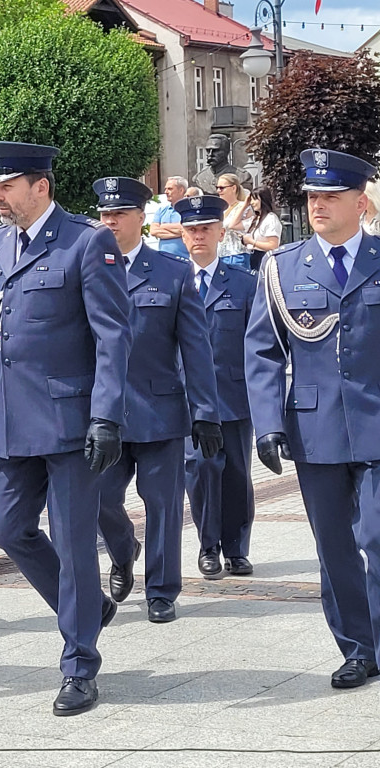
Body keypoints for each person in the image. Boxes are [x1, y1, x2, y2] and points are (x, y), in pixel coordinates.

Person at [0, 142, 131, 715]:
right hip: (10, 419)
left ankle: (79, 662)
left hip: (69, 420)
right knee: (10, 530)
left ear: (41, 186)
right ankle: (86, 607)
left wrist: (106, 415)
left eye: (6, 186)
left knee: (75, 542)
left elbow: (113, 336)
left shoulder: (87, 242)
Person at [246, 148, 380, 690]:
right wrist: (267, 423)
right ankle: (357, 648)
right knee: (333, 547)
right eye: (313, 197)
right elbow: (261, 352)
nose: (319, 205)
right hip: (315, 427)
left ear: (361, 202)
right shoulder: (283, 267)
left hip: (377, 423)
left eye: (331, 196)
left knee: (377, 538)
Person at [92, 177, 221, 624]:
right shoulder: (85, 269)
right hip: (104, 415)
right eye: (104, 214)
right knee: (100, 499)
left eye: (120, 214)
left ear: (140, 218)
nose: (110, 222)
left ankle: (162, 590)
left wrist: (205, 412)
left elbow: (195, 347)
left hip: (160, 409)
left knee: (163, 504)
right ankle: (124, 549)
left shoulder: (172, 272)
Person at [176, 194, 258, 579]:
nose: (198, 236)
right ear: (181, 234)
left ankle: (236, 549)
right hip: (189, 401)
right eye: (191, 230)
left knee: (237, 475)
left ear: (220, 232)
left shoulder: (243, 284)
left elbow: (258, 344)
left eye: (206, 228)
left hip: (233, 393)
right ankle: (209, 546)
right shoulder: (172, 281)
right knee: (201, 469)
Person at [242, 186, 282, 271]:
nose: (252, 203)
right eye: (251, 200)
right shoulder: (255, 219)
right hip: (253, 258)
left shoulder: (270, 219)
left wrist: (251, 241)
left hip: (263, 258)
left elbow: (273, 245)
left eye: (255, 199)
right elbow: (233, 225)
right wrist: (245, 205)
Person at [217, 173, 253, 268]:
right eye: (217, 187)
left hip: (237, 255)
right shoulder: (220, 209)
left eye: (222, 188)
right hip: (220, 255)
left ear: (233, 188)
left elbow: (248, 230)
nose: (218, 191)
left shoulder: (243, 207)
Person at [149, 176, 190, 259]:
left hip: (183, 260)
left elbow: (187, 230)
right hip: (163, 260)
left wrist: (163, 226)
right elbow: (153, 231)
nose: (166, 192)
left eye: (170, 189)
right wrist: (179, 231)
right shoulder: (161, 210)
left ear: (181, 190)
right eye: (165, 189)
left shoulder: (189, 210)